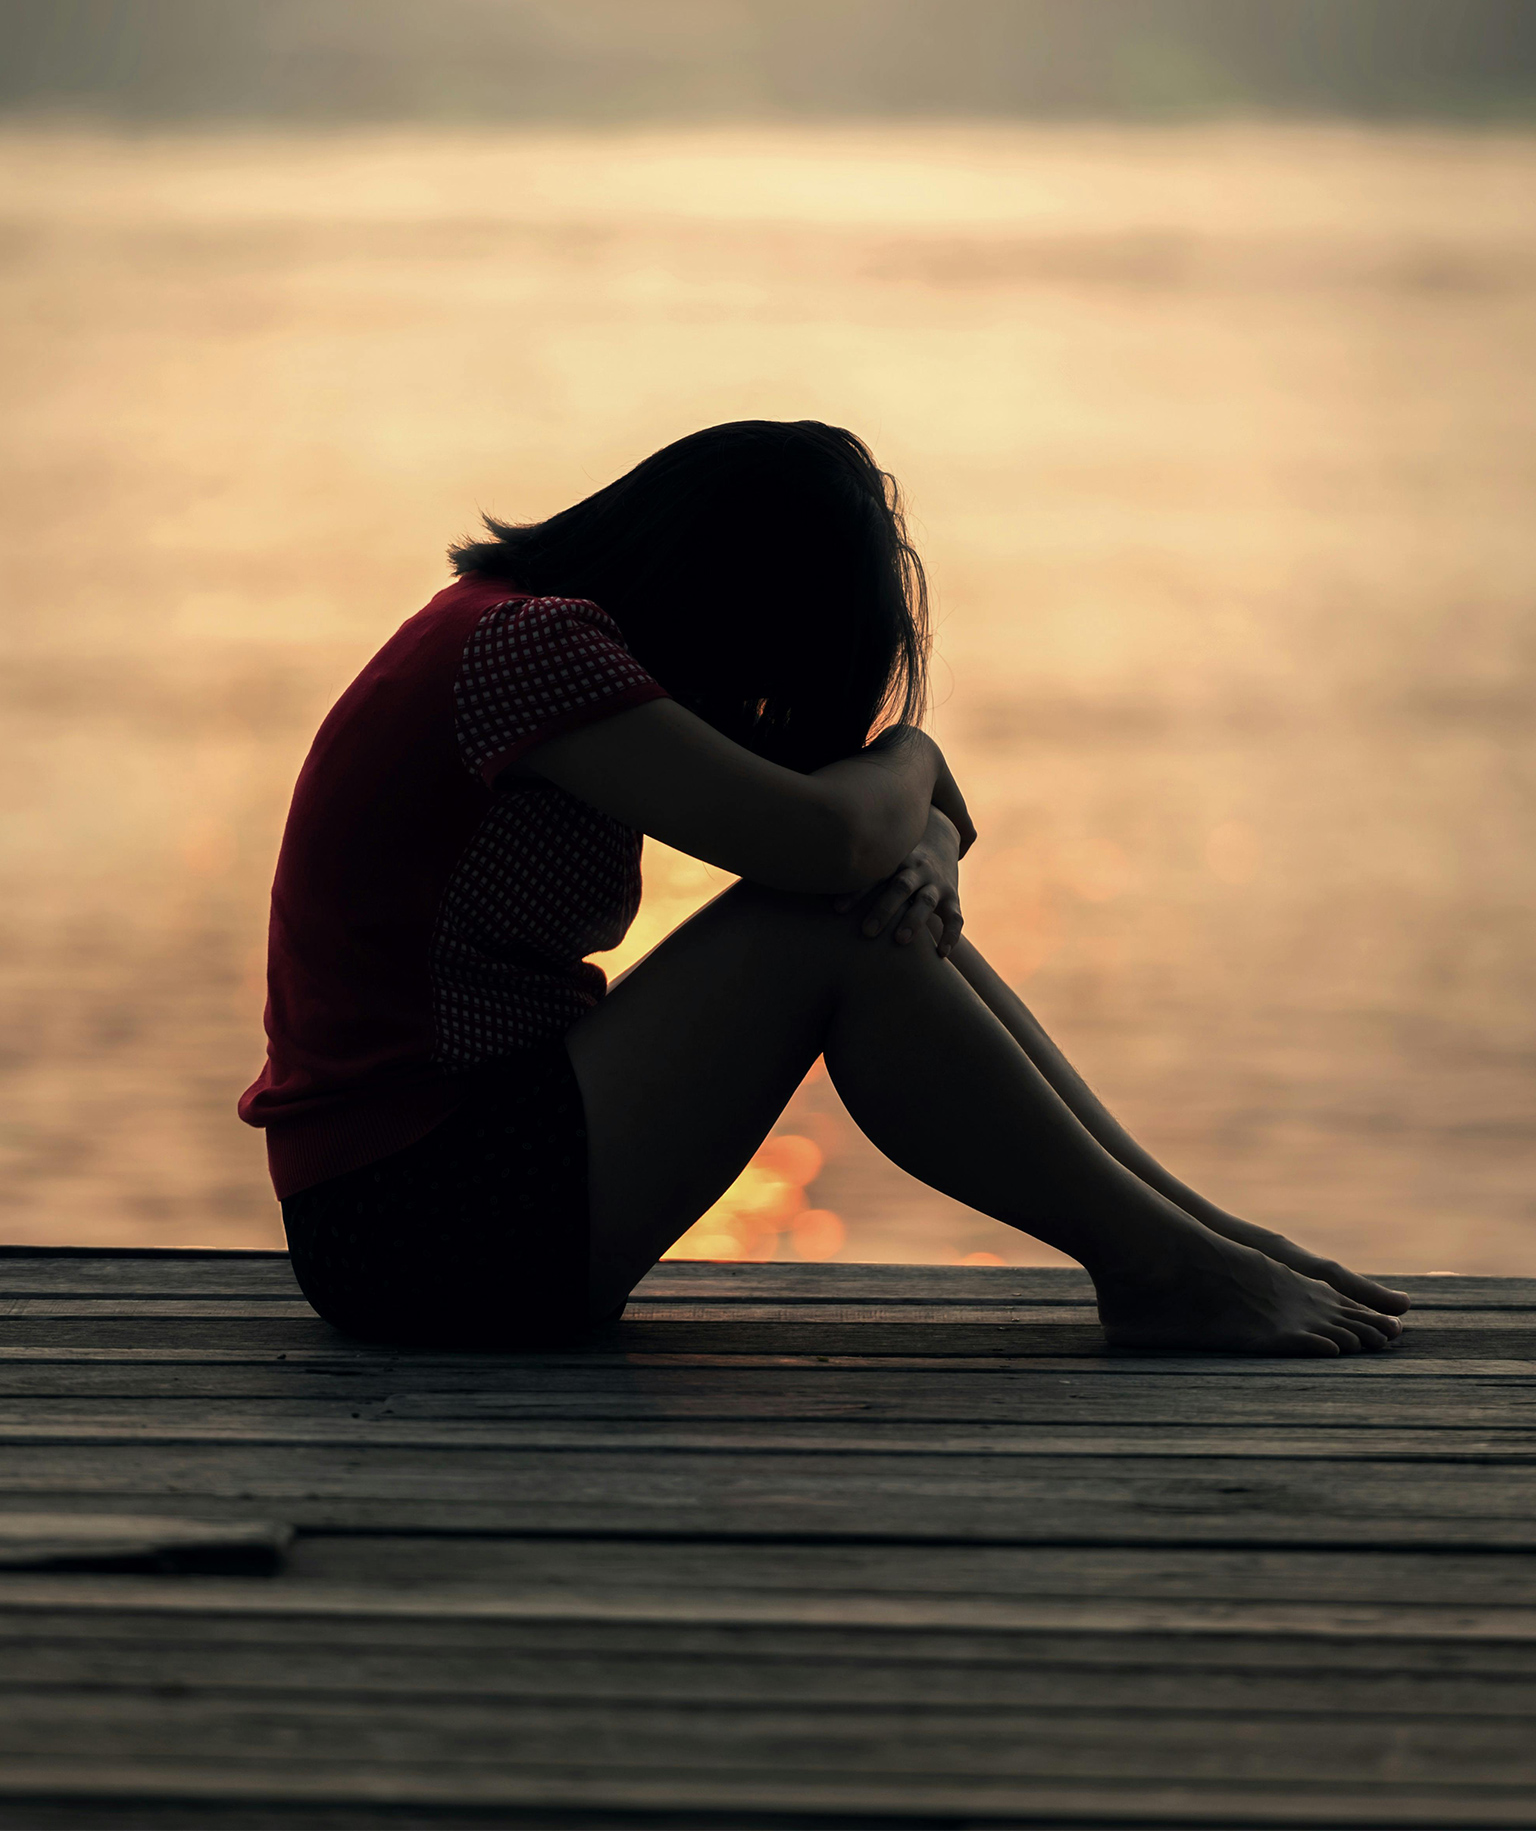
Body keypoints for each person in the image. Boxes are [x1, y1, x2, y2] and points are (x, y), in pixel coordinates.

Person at [240, 419, 1409, 1357]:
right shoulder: (531, 649)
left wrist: (928, 844)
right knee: (822, 927)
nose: (760, 699)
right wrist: (915, 756)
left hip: (443, 1208)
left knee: (855, 914)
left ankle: (1195, 1241)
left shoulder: (521, 641)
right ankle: (1167, 1269)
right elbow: (831, 841)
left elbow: (872, 838)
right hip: (415, 1225)